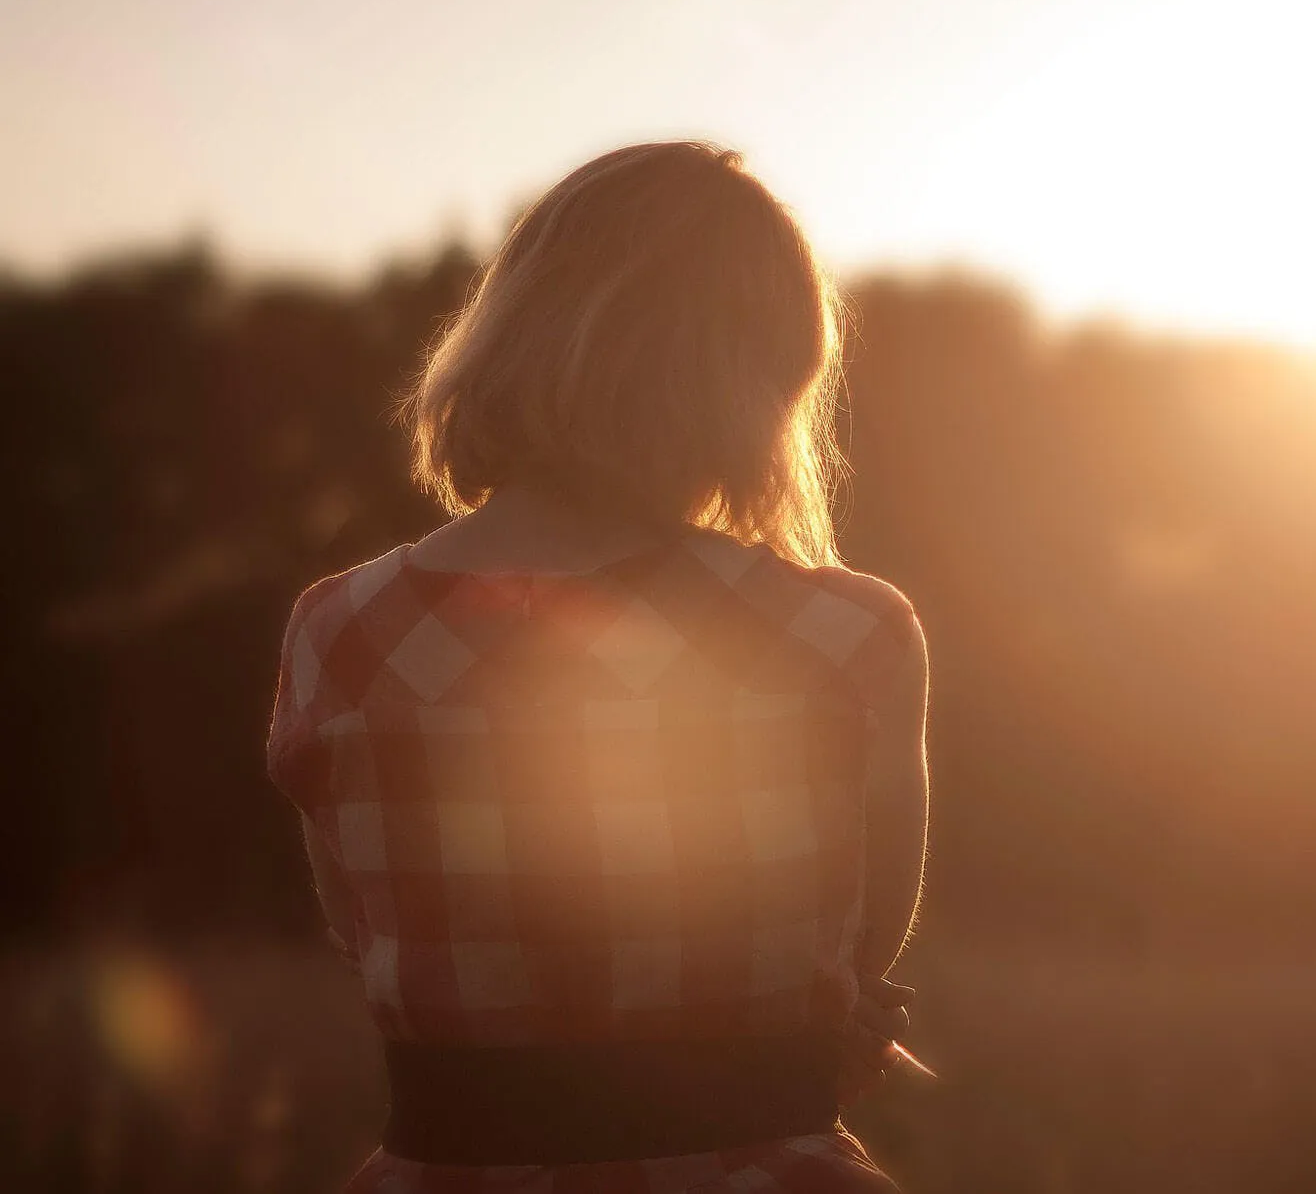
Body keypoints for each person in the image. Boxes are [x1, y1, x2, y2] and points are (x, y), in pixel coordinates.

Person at [265, 142, 929, 1193]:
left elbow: (371, 938)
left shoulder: (338, 631)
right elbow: (858, 950)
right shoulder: (846, 636)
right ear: (756, 379)